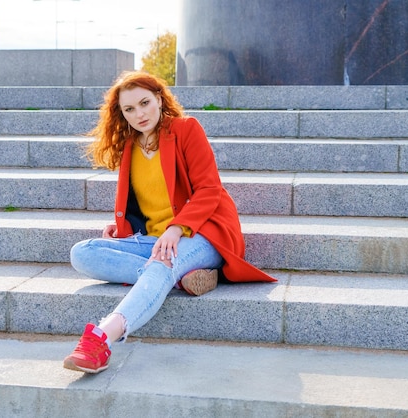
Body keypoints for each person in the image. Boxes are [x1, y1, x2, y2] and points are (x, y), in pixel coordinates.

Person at [63, 71, 276, 374]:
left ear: (160, 98)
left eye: (145, 103)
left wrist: (177, 228)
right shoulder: (130, 146)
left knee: (161, 262)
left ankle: (102, 338)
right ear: (121, 114)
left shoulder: (186, 130)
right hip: (157, 239)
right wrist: (120, 227)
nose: (139, 114)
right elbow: (143, 200)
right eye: (129, 109)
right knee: (82, 253)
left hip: (204, 233)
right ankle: (178, 276)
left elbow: (209, 189)